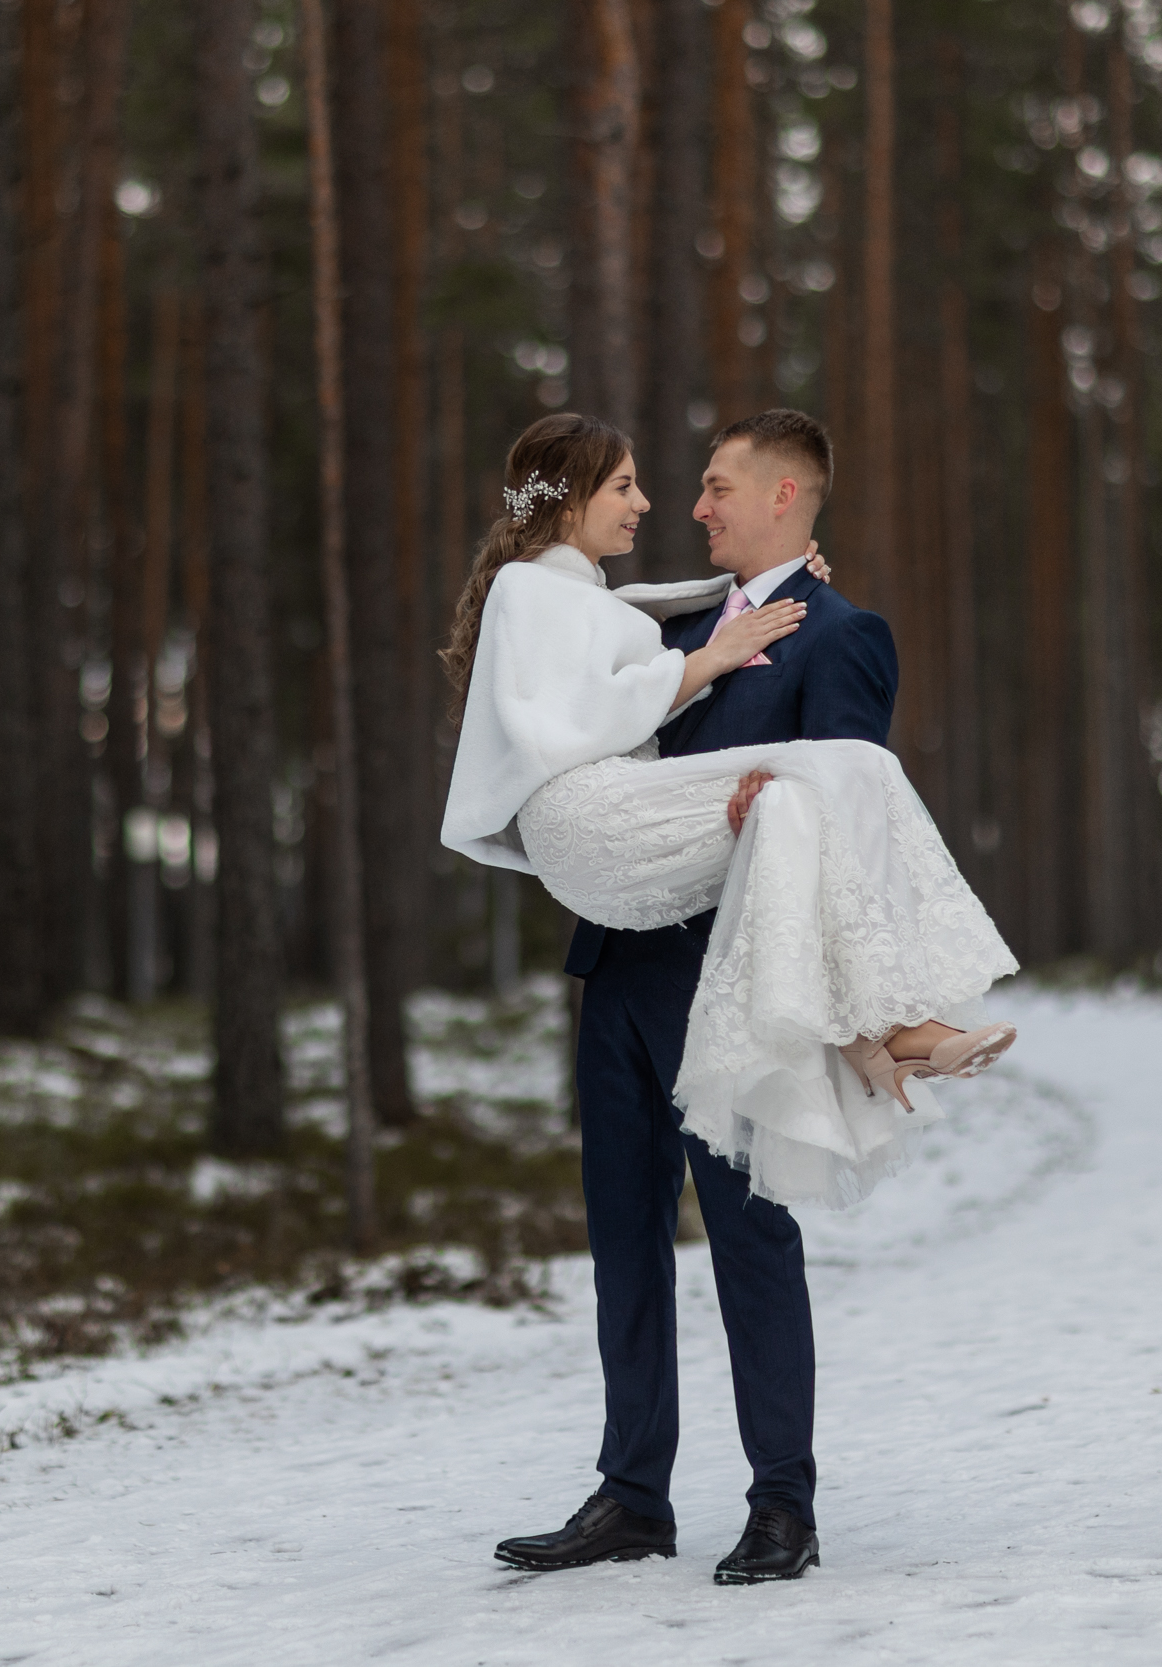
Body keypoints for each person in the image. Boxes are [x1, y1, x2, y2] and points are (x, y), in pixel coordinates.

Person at [439, 409, 1018, 1584]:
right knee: (623, 1243)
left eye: (713, 487)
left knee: (752, 1241)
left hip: (736, 981)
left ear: (785, 496)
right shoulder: (677, 621)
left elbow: (843, 809)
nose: (692, 506)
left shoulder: (840, 635)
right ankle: (631, 1494)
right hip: (618, 969)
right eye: (683, 487)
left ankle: (782, 1504)